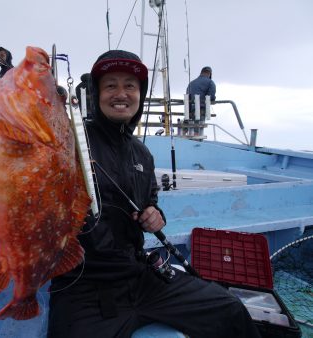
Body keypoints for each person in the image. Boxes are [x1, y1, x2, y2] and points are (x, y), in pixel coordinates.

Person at [47, 50, 261, 338]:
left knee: (230, 310)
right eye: (110, 85)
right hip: (82, 285)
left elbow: (149, 200)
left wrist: (154, 215)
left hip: (139, 275)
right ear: (96, 94)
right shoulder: (67, 141)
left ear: (140, 94)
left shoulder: (143, 154)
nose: (120, 93)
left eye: (130, 86)